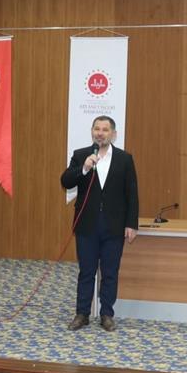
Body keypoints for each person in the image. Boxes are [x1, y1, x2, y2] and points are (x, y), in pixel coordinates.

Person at [60, 115, 139, 332]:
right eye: (97, 129)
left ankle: (106, 314)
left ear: (113, 134)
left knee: (110, 272)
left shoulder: (124, 159)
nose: (100, 133)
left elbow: (132, 194)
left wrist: (131, 223)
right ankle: (82, 314)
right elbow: (65, 181)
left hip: (114, 225)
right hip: (87, 224)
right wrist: (84, 168)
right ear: (92, 132)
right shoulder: (81, 155)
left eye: (105, 130)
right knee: (86, 271)